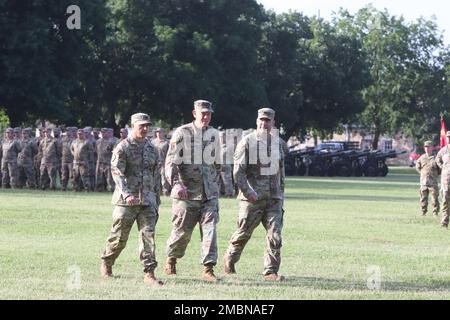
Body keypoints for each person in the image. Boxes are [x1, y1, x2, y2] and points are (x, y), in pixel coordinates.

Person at [100, 113, 163, 286]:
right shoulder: (123, 147)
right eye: (141, 126)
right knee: (119, 237)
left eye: (147, 126)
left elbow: (156, 174)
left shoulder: (152, 148)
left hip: (148, 201)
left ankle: (149, 273)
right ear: (132, 126)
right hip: (126, 201)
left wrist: (156, 199)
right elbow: (117, 172)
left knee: (148, 236)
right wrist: (127, 193)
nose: (144, 129)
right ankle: (107, 262)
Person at [223, 107, 285, 281]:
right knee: (243, 234)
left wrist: (281, 192)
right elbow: (238, 172)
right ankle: (230, 258)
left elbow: (281, 170)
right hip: (252, 198)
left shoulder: (278, 143)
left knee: (275, 235)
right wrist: (247, 191)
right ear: (257, 121)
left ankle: (270, 271)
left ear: (273, 123)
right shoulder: (247, 142)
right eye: (262, 120)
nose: (264, 123)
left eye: (268, 120)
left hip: (274, 199)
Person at [164, 100, 221, 282]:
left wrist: (215, 183)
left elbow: (217, 163)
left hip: (209, 193)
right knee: (182, 232)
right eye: (202, 113)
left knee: (210, 230)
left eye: (209, 113)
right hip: (187, 193)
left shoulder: (214, 134)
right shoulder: (182, 133)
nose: (206, 116)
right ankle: (171, 260)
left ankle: (208, 268)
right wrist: (176, 184)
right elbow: (171, 162)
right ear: (194, 113)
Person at [415, 140, 440, 216]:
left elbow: (440, 169)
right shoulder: (421, 158)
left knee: (434, 199)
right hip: (424, 182)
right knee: (423, 198)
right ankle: (423, 212)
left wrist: (434, 175)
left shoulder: (436, 157)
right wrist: (423, 174)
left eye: (428, 147)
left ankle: (435, 212)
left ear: (432, 148)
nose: (427, 148)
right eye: (425, 147)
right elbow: (418, 167)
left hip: (433, 183)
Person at [436, 131, 450, 227]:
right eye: (448, 137)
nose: (449, 138)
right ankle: (444, 222)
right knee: (445, 201)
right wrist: (444, 168)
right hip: (445, 181)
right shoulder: (443, 151)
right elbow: (438, 160)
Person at [151, 127, 171, 196]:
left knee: (164, 180)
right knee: (154, 179)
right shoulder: (152, 142)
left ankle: (165, 193)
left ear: (163, 133)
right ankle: (155, 193)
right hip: (154, 163)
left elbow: (170, 153)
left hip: (164, 163)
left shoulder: (167, 142)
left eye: (160, 132)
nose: (158, 133)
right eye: (157, 132)